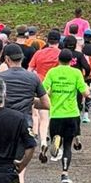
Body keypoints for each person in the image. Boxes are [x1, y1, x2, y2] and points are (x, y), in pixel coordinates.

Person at [0, 43, 49, 183]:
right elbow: (46, 104)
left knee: (0, 164)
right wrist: (30, 100)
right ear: (22, 58)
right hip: (24, 124)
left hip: (1, 124)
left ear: (7, 59)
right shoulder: (33, 78)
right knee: (19, 168)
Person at [43, 49, 90, 183]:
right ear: (71, 61)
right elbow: (85, 93)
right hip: (72, 114)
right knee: (68, 146)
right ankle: (64, 173)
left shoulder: (52, 72)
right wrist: (87, 89)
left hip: (56, 114)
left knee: (57, 137)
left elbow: (43, 90)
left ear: (58, 59)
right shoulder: (76, 73)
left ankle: (56, 143)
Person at [28, 30, 61, 163]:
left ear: (47, 40)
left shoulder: (38, 53)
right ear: (59, 41)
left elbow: (30, 70)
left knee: (43, 118)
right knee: (55, 117)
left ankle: (43, 142)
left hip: (40, 87)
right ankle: (55, 142)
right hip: (56, 88)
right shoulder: (61, 54)